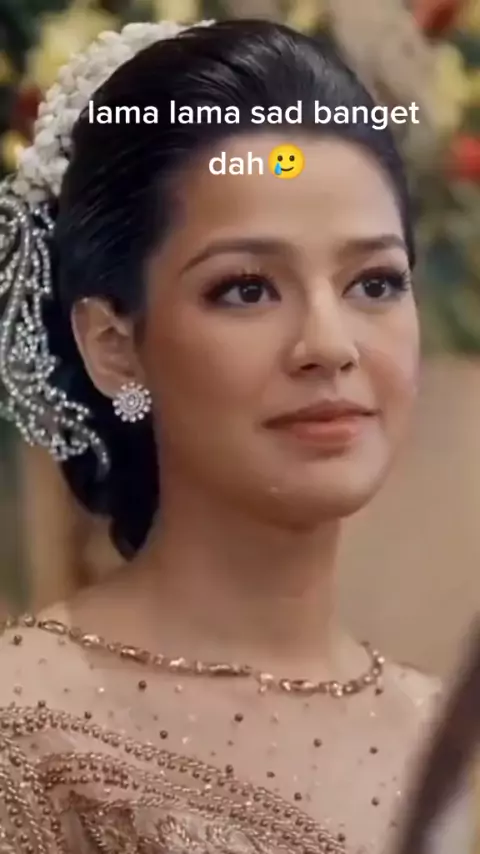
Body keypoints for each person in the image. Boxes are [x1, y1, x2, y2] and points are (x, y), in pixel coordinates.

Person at [0, 16, 464, 854]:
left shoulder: (451, 748)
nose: (329, 345)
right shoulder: (26, 731)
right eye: (247, 288)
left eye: (373, 282)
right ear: (113, 345)